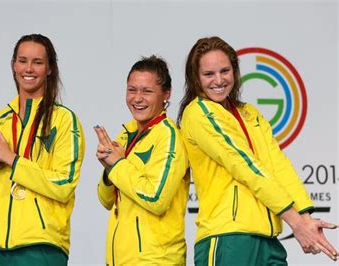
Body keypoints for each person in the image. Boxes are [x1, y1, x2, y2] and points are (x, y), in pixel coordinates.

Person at [177, 36, 338, 265]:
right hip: (227, 238)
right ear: (195, 78)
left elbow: (277, 164)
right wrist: (296, 222)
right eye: (209, 74)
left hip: (267, 238)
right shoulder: (198, 113)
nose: (219, 80)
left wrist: (305, 218)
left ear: (235, 71)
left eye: (225, 71)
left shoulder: (249, 113)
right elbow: (244, 165)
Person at [0, 34, 85, 266]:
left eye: (38, 62)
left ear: (50, 69)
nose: (29, 68)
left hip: (41, 247)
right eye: (23, 60)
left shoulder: (64, 120)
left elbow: (64, 185)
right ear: (14, 65)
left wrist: (12, 159)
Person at [95, 55, 190, 265]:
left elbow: (156, 198)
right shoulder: (126, 134)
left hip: (157, 260)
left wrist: (118, 164)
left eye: (147, 91)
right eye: (132, 90)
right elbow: (106, 200)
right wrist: (108, 171)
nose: (137, 98)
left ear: (166, 94)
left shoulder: (169, 136)